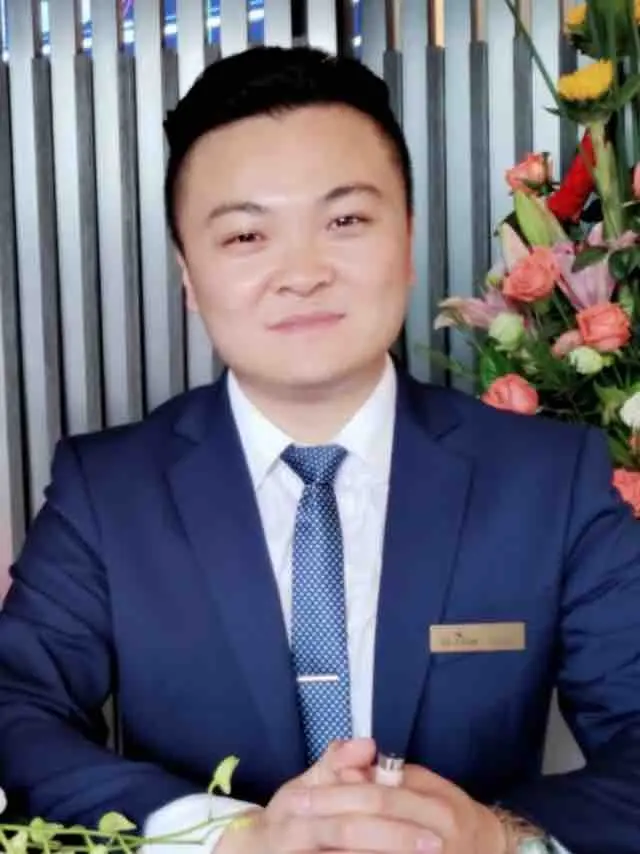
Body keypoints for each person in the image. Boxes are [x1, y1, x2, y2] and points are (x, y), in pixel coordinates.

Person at [0, 45, 639, 854]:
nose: (301, 273)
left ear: (407, 241)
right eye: (245, 235)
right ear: (189, 275)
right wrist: (223, 838)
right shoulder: (108, 490)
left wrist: (498, 837)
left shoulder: (547, 477)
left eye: (345, 221)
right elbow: (16, 706)